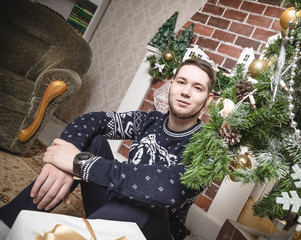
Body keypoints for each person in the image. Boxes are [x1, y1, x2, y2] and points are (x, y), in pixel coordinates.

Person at [0, 58, 215, 240]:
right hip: (115, 208)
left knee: (146, 199)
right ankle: (6, 223)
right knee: (91, 142)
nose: (186, 92)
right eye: (181, 82)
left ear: (208, 99)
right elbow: (93, 120)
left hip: (156, 230)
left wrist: (82, 164)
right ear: (171, 85)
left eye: (197, 87)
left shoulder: (207, 145)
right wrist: (66, 154)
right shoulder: (147, 121)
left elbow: (167, 189)